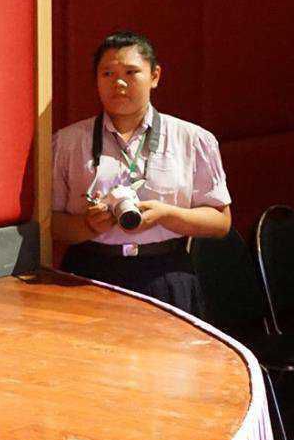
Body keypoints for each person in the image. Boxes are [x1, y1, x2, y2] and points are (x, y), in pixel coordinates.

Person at [50, 31, 231, 314]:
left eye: (131, 72)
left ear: (155, 76)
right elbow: (50, 224)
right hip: (88, 274)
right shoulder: (67, 142)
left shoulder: (193, 139)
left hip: (166, 273)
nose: (119, 83)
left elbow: (220, 222)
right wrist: (88, 225)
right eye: (107, 74)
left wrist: (166, 215)